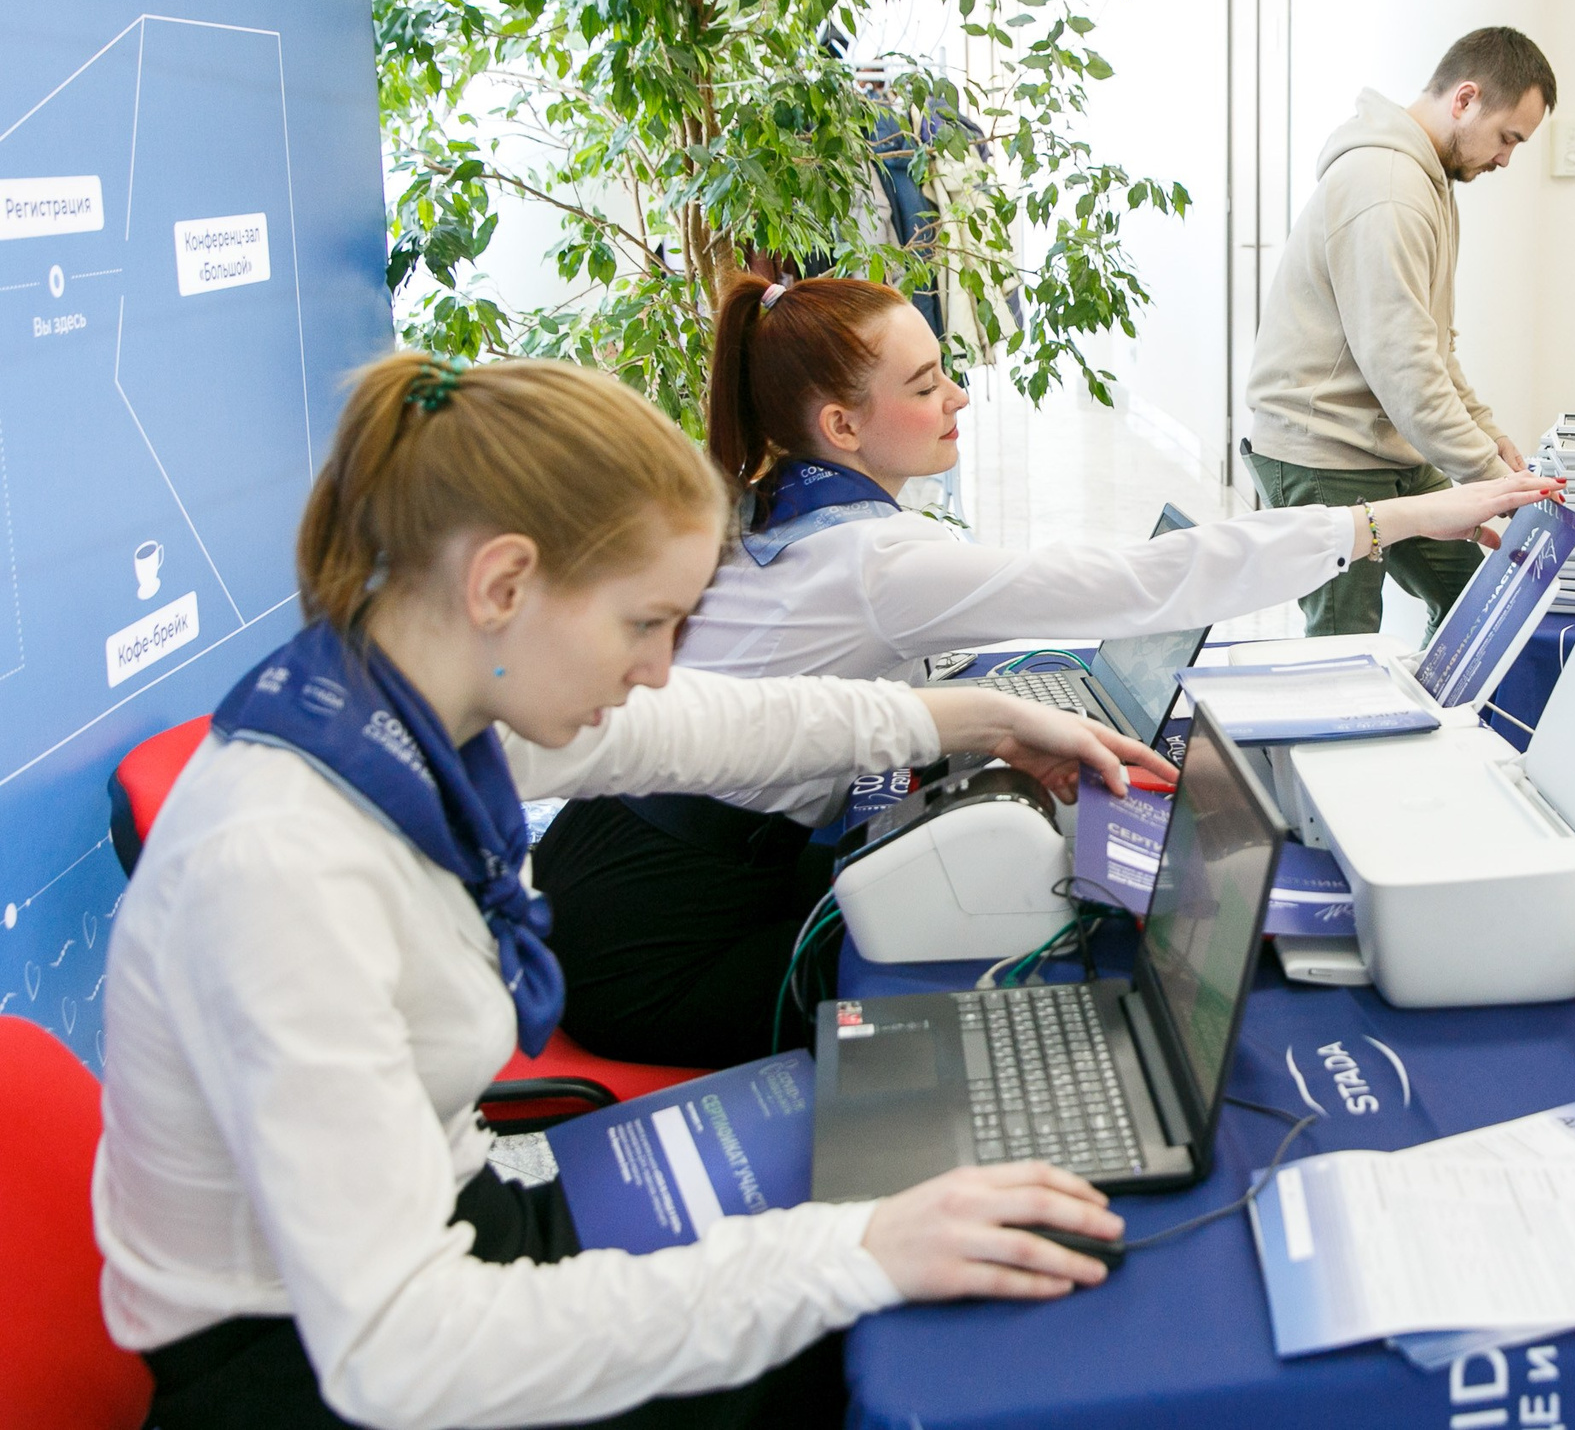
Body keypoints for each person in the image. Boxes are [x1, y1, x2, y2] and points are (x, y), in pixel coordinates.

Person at [97, 352, 1152, 1430]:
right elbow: (404, 1354)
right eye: (644, 624)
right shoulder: (282, 869)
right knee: (906, 1327)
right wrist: (854, 1254)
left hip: (446, 1234)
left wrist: (990, 718)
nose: (656, 667)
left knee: (887, 1187)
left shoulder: (406, 705)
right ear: (502, 586)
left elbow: (725, 722)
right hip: (321, 1367)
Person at [533, 270, 1561, 1068]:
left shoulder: (778, 500)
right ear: (840, 426)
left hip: (623, 858)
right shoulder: (877, 562)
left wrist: (987, 719)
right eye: (925, 385)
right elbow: (1146, 580)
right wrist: (1401, 517)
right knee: (981, 1001)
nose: (958, 396)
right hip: (659, 939)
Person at [1243, 25, 1557, 636]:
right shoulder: (1388, 188)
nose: (1505, 159)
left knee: (1476, 607)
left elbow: (1429, 343)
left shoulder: (1429, 181)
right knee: (1343, 646)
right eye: (1507, 138)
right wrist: (1496, 483)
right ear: (1465, 99)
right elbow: (1405, 371)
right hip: (1324, 452)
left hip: (1386, 444)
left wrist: (1489, 437)